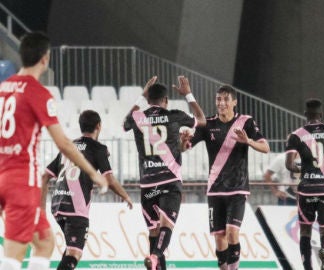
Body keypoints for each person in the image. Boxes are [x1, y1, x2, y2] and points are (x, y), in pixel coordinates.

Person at [0, 32, 108, 270]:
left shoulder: (3, 88)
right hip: (21, 182)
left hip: (3, 177)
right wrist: (93, 173)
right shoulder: (37, 92)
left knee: (45, 242)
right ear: (45, 59)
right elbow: (64, 144)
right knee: (13, 255)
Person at [123, 75, 206, 270]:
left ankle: (155, 258)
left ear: (148, 99)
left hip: (148, 184)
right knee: (166, 228)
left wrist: (140, 97)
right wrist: (188, 95)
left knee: (154, 233)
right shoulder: (175, 115)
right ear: (166, 101)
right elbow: (202, 120)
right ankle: (155, 256)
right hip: (169, 182)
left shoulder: (138, 118)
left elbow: (124, 124)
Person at [183, 85, 270, 269]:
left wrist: (249, 141)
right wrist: (183, 142)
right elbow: (186, 146)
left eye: (225, 99)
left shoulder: (246, 122)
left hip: (238, 188)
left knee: (232, 233)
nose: (221, 103)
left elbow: (265, 147)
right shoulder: (208, 124)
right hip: (215, 189)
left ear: (234, 102)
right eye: (218, 100)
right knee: (220, 239)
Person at [42, 110, 133, 270]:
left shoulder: (68, 147)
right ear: (99, 126)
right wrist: (125, 196)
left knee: (71, 249)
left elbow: (45, 176)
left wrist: (41, 207)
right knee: (74, 254)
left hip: (57, 205)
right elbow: (109, 180)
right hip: (76, 207)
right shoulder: (98, 148)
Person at [285, 98, 324, 270]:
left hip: (307, 189)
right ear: (321, 115)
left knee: (305, 230)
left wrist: (303, 168)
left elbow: (289, 165)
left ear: (305, 115)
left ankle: (308, 268)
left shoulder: (296, 135)